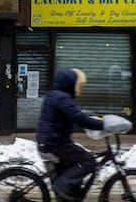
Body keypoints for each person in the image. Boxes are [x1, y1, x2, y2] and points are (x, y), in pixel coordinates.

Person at [36, 68, 104, 202]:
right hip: (54, 144)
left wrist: (93, 118)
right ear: (69, 84)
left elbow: (76, 113)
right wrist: (103, 125)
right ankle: (61, 187)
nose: (80, 89)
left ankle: (66, 194)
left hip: (50, 142)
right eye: (78, 85)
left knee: (72, 165)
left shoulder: (55, 95)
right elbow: (79, 117)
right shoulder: (62, 98)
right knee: (88, 160)